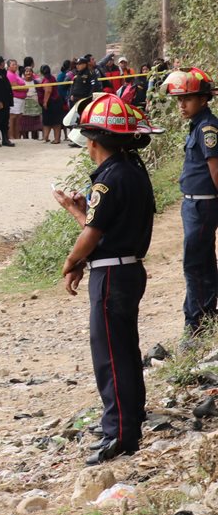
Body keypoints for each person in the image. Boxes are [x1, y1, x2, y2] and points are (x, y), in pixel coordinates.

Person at [54, 94, 159, 465]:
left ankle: (119, 433)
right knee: (124, 351)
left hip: (112, 274)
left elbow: (94, 234)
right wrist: (79, 216)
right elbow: (102, 228)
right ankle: (128, 423)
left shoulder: (109, 179)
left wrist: (71, 260)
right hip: (124, 267)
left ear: (93, 141)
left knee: (110, 357)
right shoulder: (131, 170)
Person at [164, 69, 218, 341]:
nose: (182, 105)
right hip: (195, 204)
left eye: (188, 99)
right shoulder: (198, 125)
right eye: (179, 100)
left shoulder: (208, 128)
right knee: (204, 260)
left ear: (204, 99)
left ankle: (195, 324)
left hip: (202, 205)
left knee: (194, 263)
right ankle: (207, 316)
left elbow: (214, 169)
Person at [37, 64, 65, 144]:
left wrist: (45, 102)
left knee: (55, 122)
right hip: (55, 102)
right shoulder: (51, 77)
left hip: (52, 102)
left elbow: (48, 91)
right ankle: (46, 138)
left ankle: (56, 139)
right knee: (47, 121)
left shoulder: (47, 80)